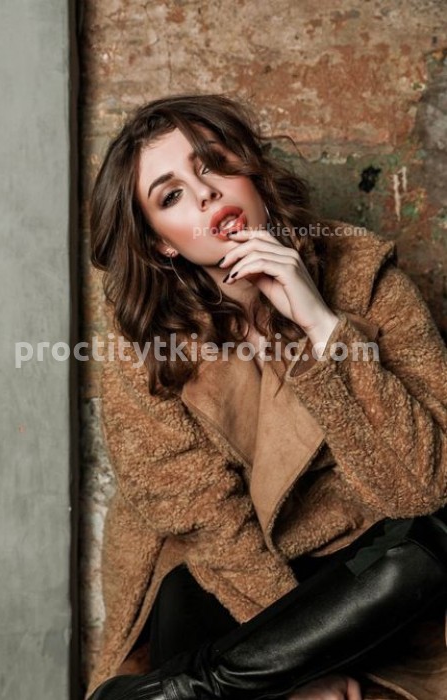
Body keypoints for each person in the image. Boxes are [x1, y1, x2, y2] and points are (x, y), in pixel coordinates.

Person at [85, 94, 447, 700]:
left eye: (214, 163)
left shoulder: (362, 275)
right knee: (187, 583)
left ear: (250, 171)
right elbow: (208, 523)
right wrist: (301, 667)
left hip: (355, 577)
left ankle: (178, 692)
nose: (205, 194)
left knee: (436, 535)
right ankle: (203, 680)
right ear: (162, 244)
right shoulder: (140, 337)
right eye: (171, 196)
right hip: (223, 580)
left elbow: (423, 487)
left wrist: (320, 325)